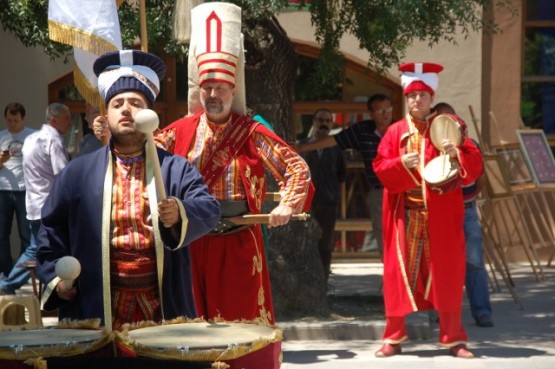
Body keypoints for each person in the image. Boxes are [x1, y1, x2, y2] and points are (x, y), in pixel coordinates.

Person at [36, 50, 221, 330]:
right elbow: (50, 231)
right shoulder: (77, 173)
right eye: (117, 103)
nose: (125, 109)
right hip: (96, 305)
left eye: (135, 103)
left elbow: (209, 208)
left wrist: (180, 212)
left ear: (150, 114)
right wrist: (56, 278)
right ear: (106, 115)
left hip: (162, 305)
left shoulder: (175, 168)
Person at [153, 3, 313, 324]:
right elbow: (143, 158)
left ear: (232, 89)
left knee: (240, 328)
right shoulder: (179, 131)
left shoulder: (252, 131)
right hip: (191, 240)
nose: (213, 94)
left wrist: (287, 204)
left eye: (220, 88)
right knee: (192, 328)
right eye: (207, 88)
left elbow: (297, 168)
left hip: (239, 242)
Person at [372, 62, 483, 358]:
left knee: (446, 274)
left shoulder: (448, 127)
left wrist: (454, 152)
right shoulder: (395, 132)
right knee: (399, 275)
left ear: (432, 98)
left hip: (440, 217)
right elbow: (380, 168)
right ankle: (393, 337)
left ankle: (454, 338)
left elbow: (473, 168)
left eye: (422, 95)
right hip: (405, 216)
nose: (416, 100)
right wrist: (400, 164)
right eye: (411, 96)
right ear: (406, 99)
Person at [295, 94, 393, 256]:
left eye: (387, 109)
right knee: (383, 236)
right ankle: (390, 278)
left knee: (406, 235)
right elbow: (335, 140)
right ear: (371, 113)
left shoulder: (401, 128)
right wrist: (301, 148)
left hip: (403, 191)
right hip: (378, 192)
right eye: (379, 110)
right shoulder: (363, 130)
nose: (385, 113)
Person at [433, 102, 494, 328]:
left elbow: (480, 176)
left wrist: (470, 198)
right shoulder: (431, 147)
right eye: (441, 119)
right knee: (442, 263)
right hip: (442, 213)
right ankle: (443, 311)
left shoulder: (470, 144)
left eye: (450, 118)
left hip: (466, 210)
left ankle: (482, 312)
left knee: (474, 262)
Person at [299, 108, 346, 280]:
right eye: (320, 120)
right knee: (306, 240)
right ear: (314, 122)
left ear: (332, 123)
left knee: (326, 242)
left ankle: (324, 279)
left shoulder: (336, 148)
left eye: (328, 121)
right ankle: (307, 278)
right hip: (306, 202)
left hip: (329, 201)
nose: (324, 124)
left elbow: (342, 174)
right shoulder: (302, 146)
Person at [0, 103, 35, 281]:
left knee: (26, 234)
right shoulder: (1, 136)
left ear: (23, 119)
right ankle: (5, 272)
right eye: (8, 120)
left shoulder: (32, 136)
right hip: (3, 190)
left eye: (15, 120)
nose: (12, 124)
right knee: (2, 233)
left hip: (25, 190)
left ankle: (23, 273)